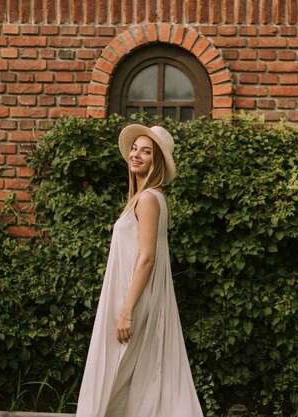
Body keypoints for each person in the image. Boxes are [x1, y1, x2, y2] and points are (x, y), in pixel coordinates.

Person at [75, 124, 204, 417]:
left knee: (114, 368)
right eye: (135, 148)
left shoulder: (148, 199)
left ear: (156, 161)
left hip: (131, 298)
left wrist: (127, 310)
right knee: (133, 374)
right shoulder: (146, 197)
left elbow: (147, 258)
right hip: (129, 296)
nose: (136, 154)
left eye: (146, 151)